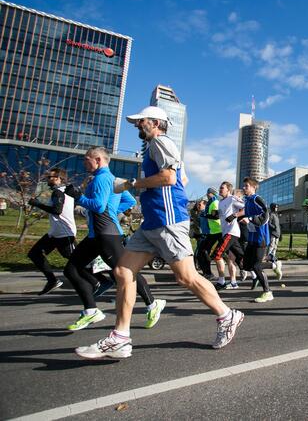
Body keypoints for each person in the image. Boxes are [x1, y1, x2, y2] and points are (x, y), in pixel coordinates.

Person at [76, 106, 243, 359]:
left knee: (186, 277)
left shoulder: (160, 142)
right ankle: (120, 337)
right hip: (152, 222)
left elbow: (168, 178)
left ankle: (227, 315)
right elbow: (182, 180)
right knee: (123, 271)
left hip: (168, 220)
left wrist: (130, 184)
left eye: (140, 121)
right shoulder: (157, 148)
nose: (136, 125)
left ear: (155, 123)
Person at [62, 147, 163, 331]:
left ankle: (153, 304)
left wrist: (78, 197)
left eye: (87, 159)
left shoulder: (101, 178)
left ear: (98, 160)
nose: (84, 163)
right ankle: (91, 310)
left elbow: (99, 206)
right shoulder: (114, 179)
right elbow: (130, 201)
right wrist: (113, 211)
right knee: (71, 269)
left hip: (107, 235)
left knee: (125, 272)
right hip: (97, 235)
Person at [27, 168, 75, 295]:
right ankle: (52, 281)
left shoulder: (58, 193)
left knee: (77, 260)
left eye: (52, 177)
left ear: (60, 179)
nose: (49, 179)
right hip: (55, 233)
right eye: (48, 177)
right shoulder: (64, 192)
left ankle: (98, 279)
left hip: (65, 234)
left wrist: (36, 203)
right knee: (34, 253)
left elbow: (57, 210)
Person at [239, 177, 275, 302]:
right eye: (244, 186)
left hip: (261, 238)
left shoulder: (256, 199)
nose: (244, 188)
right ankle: (273, 265)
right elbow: (247, 215)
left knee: (256, 266)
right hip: (252, 238)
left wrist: (250, 220)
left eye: (246, 186)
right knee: (247, 265)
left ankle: (268, 292)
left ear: (253, 187)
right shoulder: (247, 201)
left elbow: (265, 216)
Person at [211, 181, 244, 290]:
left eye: (222, 188)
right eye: (220, 188)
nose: (220, 190)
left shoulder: (232, 198)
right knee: (240, 258)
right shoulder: (221, 202)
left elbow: (246, 207)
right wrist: (214, 214)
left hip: (231, 232)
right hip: (226, 232)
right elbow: (220, 215)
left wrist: (234, 215)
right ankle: (254, 274)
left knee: (217, 255)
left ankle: (221, 281)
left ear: (228, 190)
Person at [196, 188, 222, 278]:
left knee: (205, 252)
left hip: (216, 231)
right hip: (212, 232)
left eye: (208, 193)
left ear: (212, 194)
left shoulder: (214, 202)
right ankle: (207, 273)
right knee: (202, 252)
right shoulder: (211, 203)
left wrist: (205, 215)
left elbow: (216, 216)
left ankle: (209, 273)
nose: (207, 195)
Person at [267, 203, 283, 279]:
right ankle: (268, 258)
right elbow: (268, 223)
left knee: (275, 247)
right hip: (273, 233)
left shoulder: (276, 215)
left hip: (277, 233)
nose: (277, 208)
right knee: (271, 246)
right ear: (272, 207)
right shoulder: (271, 214)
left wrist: (280, 234)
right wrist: (274, 227)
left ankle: (272, 258)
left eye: (277, 207)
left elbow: (278, 225)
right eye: (276, 207)